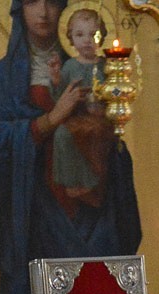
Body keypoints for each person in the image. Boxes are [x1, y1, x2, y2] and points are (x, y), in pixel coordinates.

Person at [0, 0, 142, 294]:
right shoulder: (4, 77)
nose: (43, 12)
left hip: (89, 216)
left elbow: (113, 137)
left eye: (52, 2)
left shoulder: (89, 67)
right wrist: (48, 121)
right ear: (18, 11)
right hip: (31, 220)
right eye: (32, 2)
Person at [52, 6, 109, 199]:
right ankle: (71, 182)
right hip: (77, 117)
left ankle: (91, 181)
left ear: (101, 37)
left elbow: (114, 91)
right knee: (61, 134)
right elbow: (59, 98)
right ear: (71, 39)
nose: (86, 40)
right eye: (80, 34)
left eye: (93, 34)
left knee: (93, 135)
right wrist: (56, 81)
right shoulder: (70, 66)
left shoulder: (105, 65)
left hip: (100, 118)